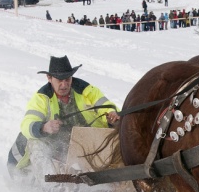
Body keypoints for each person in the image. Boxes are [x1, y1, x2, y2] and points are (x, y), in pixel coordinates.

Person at [7, 55, 120, 184]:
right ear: (49, 78)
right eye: (59, 80)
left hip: (79, 146)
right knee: (36, 143)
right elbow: (27, 124)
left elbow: (107, 106)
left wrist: (111, 115)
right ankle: (53, 188)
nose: (64, 84)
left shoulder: (86, 90)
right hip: (44, 153)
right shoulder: (41, 98)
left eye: (67, 79)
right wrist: (44, 127)